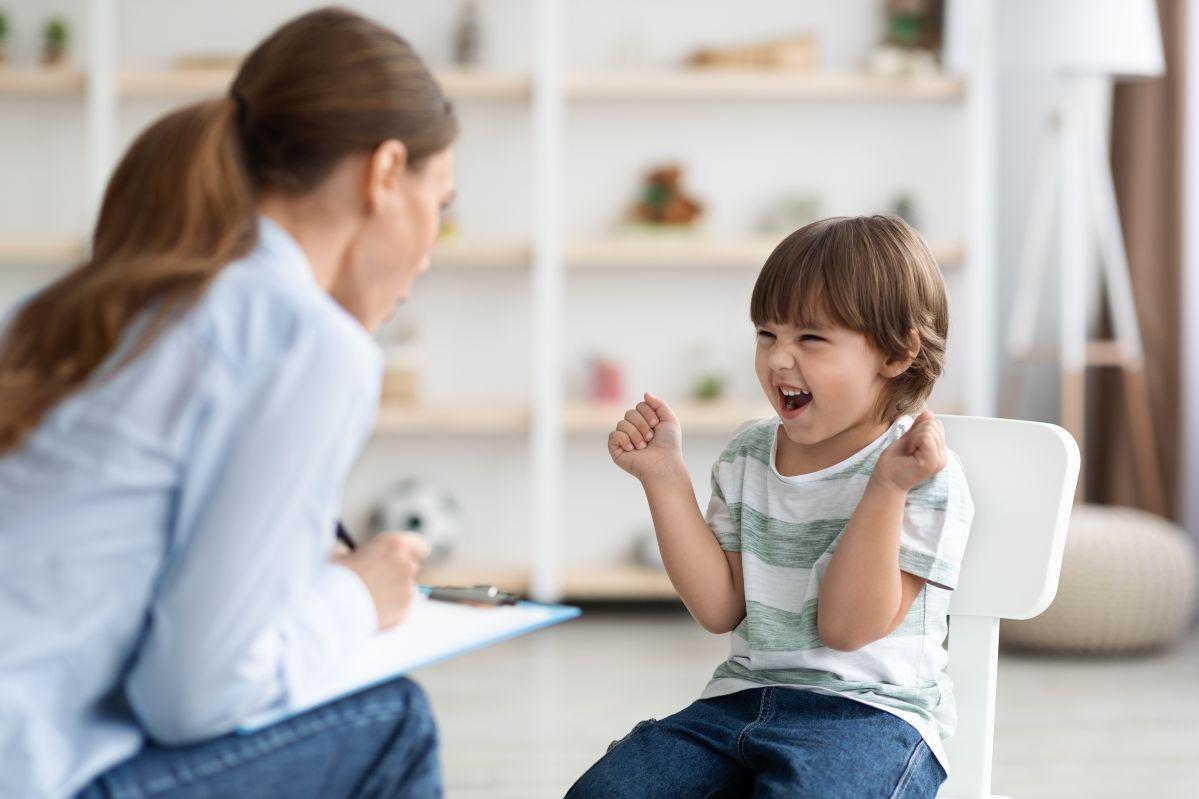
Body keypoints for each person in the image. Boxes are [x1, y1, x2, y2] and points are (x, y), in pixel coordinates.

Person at [0, 8, 457, 798]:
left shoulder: (87, 301)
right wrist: (355, 595)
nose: (427, 251)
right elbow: (189, 696)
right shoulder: (306, 337)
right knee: (392, 718)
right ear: (384, 173)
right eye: (439, 206)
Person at [569, 215, 975, 798]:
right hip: (737, 703)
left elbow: (847, 628)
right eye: (767, 334)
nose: (779, 360)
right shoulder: (749, 454)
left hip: (869, 717)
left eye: (810, 338)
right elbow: (719, 608)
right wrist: (663, 477)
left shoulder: (921, 473)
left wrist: (885, 488)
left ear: (895, 352)